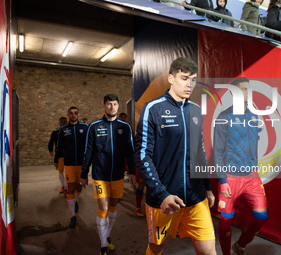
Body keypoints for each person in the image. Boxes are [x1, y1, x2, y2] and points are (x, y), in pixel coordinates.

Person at [135, 57, 216, 255]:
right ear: (171, 78)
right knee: (156, 248)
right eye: (184, 78)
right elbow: (142, 155)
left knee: (209, 251)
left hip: (196, 198)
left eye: (193, 79)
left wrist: (207, 187)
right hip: (164, 199)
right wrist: (161, 194)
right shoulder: (153, 109)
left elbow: (200, 153)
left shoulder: (196, 110)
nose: (190, 84)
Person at [213, 77, 268, 255]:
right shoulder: (223, 117)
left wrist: (256, 169)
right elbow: (218, 150)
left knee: (261, 217)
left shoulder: (254, 115)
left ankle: (240, 245)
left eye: (248, 89)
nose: (247, 92)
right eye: (243, 89)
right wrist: (223, 180)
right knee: (226, 221)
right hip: (231, 177)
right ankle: (227, 253)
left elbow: (254, 145)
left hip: (252, 176)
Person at [80, 94, 136, 255]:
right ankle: (104, 244)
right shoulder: (94, 126)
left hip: (118, 175)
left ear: (118, 107)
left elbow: (130, 152)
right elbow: (88, 151)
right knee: (103, 207)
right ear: (104, 106)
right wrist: (84, 174)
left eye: (114, 104)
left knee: (113, 206)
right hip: (100, 175)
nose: (112, 107)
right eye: (109, 104)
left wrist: (132, 172)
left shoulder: (125, 128)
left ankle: (106, 236)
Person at [54, 106, 88, 228]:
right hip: (69, 164)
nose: (73, 115)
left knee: (79, 187)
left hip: (82, 163)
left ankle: (75, 201)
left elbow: (89, 145)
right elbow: (59, 146)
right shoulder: (64, 129)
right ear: (68, 115)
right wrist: (56, 160)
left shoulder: (85, 127)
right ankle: (72, 216)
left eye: (76, 113)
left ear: (78, 114)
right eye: (71, 113)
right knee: (71, 187)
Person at [48, 116, 68, 195]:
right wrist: (50, 150)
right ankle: (63, 186)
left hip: (67, 155)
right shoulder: (55, 132)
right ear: (59, 122)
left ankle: (66, 188)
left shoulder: (69, 131)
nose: (63, 123)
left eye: (65, 122)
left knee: (67, 172)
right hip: (59, 155)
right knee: (60, 171)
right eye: (62, 122)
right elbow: (51, 142)